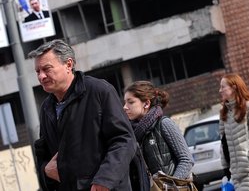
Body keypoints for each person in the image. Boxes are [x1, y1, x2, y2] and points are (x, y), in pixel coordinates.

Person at [30, 39, 137, 191]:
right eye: (37, 72)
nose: (41, 77)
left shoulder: (99, 91)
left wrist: (104, 181)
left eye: (46, 69)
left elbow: (124, 140)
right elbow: (43, 153)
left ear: (68, 64)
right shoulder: (46, 107)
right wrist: (46, 171)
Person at [123, 81, 194, 180]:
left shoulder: (164, 124)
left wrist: (170, 186)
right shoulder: (130, 132)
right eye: (125, 102)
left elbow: (187, 160)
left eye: (130, 102)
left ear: (146, 103)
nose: (125, 107)